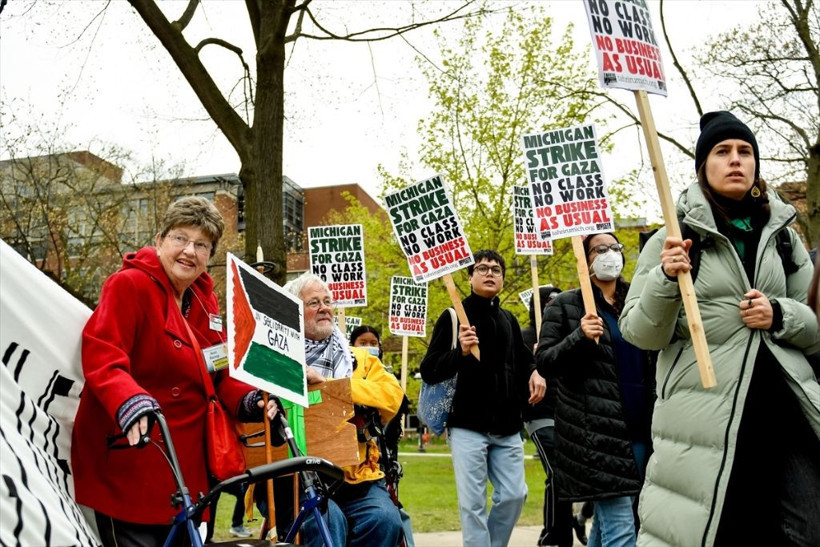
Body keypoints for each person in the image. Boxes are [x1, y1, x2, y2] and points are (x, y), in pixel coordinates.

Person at [619, 111, 820, 546]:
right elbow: (639, 331)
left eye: (745, 152)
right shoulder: (672, 237)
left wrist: (780, 315)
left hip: (784, 415)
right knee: (722, 532)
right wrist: (666, 280)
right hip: (705, 420)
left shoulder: (784, 236)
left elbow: (816, 322)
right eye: (722, 152)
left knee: (805, 529)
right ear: (702, 169)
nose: (736, 160)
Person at [72, 196, 268, 546]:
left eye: (201, 244)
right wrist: (129, 399)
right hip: (137, 463)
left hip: (189, 471)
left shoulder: (206, 301)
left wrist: (251, 400)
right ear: (159, 240)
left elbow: (220, 370)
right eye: (180, 238)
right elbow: (103, 354)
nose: (189, 251)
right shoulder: (128, 284)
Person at [535, 233, 655, 547]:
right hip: (597, 431)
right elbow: (545, 362)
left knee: (609, 519)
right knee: (621, 525)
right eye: (600, 249)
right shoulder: (566, 305)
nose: (610, 254)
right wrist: (579, 337)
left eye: (615, 248)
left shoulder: (638, 300)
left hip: (640, 425)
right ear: (585, 258)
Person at [420, 249, 546, 547]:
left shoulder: (508, 319)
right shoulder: (454, 317)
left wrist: (535, 373)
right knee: (472, 505)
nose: (490, 273)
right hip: (466, 426)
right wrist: (459, 352)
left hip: (507, 426)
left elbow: (523, 360)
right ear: (470, 276)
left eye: (496, 270)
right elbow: (429, 369)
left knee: (516, 494)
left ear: (502, 278)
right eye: (482, 268)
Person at [277, 273, 405, 547]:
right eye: (314, 303)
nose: (324, 307)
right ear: (293, 312)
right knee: (327, 520)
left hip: (356, 476)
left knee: (385, 519)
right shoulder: (279, 360)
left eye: (327, 301)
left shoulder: (358, 359)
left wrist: (333, 388)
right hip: (298, 479)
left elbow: (393, 395)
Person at [522, 285, 585, 547]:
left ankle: (562, 527)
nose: (555, 304)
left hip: (567, 413)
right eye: (549, 300)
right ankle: (555, 535)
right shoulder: (524, 336)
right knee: (558, 470)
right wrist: (535, 360)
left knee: (566, 475)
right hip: (540, 414)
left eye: (559, 300)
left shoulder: (568, 335)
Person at [349, 325, 416, 547]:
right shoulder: (345, 366)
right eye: (363, 343)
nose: (369, 347)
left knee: (392, 519)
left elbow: (393, 402)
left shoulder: (386, 378)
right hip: (347, 461)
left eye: (373, 343)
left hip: (379, 461)